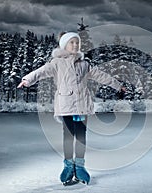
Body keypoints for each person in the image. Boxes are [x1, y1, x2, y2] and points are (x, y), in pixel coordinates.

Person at [17, 32, 126, 185]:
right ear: (64, 45)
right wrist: (27, 80)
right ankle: (68, 167)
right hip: (66, 106)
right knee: (68, 136)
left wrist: (117, 85)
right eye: (71, 42)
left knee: (81, 136)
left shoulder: (84, 64)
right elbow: (40, 72)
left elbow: (101, 76)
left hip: (82, 106)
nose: (75, 45)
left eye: (77, 42)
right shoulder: (57, 63)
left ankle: (80, 168)